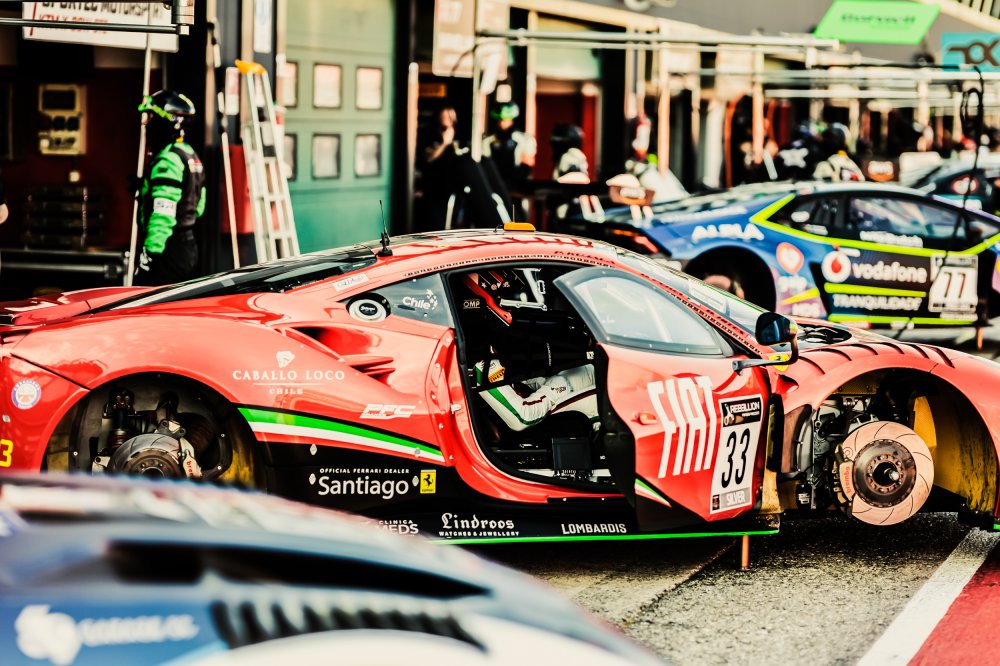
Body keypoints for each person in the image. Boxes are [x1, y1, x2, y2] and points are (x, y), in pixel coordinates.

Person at [134, 90, 206, 286]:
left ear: (166, 120)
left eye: (151, 117)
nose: (146, 123)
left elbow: (162, 215)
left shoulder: (168, 159)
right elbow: (199, 207)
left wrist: (149, 256)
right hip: (188, 247)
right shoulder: (189, 154)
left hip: (166, 250)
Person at [474, 357, 598, 432]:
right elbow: (523, 418)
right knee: (605, 395)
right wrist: (554, 389)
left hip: (575, 375)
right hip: (556, 395)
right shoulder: (484, 367)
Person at [417, 106, 464, 230]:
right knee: (436, 225)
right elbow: (428, 158)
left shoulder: (459, 136)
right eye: (445, 117)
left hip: (454, 190)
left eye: (451, 118)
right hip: (434, 189)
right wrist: (444, 143)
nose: (448, 121)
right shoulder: (431, 135)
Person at [482, 101, 537, 197]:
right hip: (492, 185)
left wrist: (515, 182)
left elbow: (528, 165)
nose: (501, 123)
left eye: (505, 120)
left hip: (516, 188)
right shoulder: (487, 140)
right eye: (499, 119)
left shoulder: (525, 139)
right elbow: (484, 163)